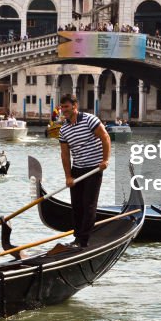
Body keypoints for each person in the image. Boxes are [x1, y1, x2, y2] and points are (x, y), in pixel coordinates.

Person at [58, 93, 111, 248]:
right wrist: (68, 176)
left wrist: (105, 160)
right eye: (62, 107)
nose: (63, 110)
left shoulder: (90, 120)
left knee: (88, 205)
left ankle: (83, 241)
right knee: (77, 206)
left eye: (66, 107)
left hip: (94, 168)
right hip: (77, 169)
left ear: (75, 106)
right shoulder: (64, 129)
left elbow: (105, 137)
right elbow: (65, 154)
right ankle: (77, 238)